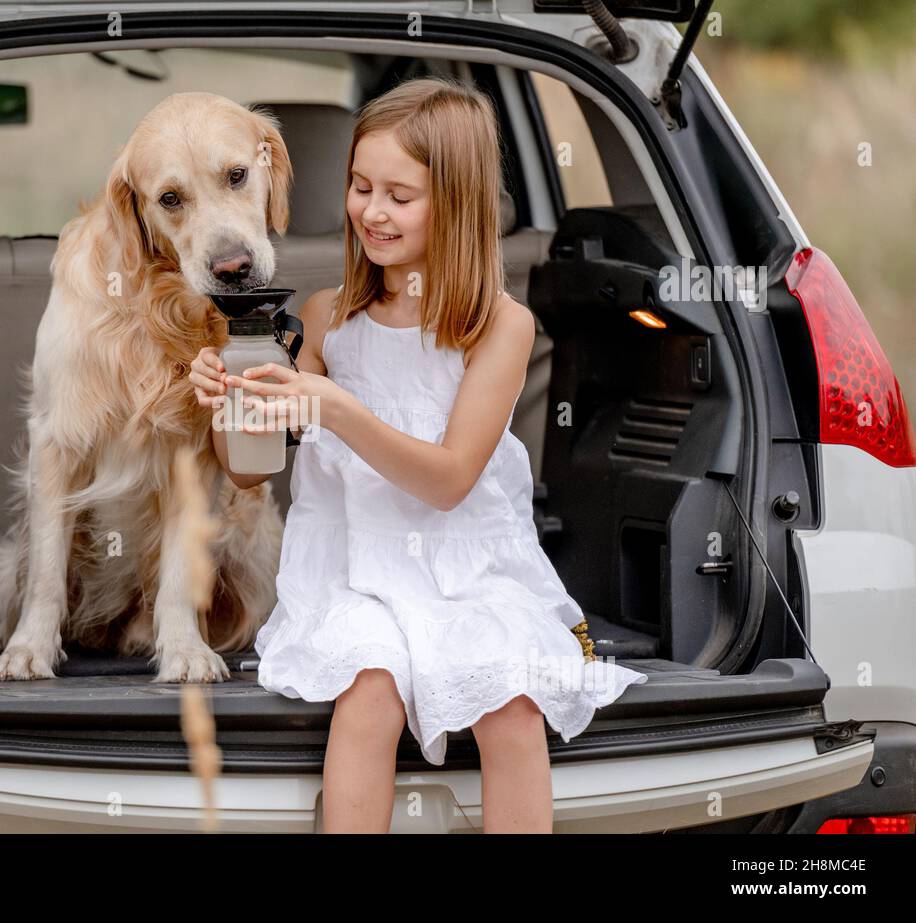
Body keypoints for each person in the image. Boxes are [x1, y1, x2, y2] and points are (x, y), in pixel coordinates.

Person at [188, 77, 647, 833]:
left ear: (457, 204)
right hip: (354, 567)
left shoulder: (499, 329)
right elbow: (251, 467)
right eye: (360, 186)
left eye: (400, 196)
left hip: (469, 565)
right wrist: (229, 401)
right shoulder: (325, 318)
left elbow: (447, 481)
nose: (372, 210)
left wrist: (337, 404)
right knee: (369, 691)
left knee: (512, 702)